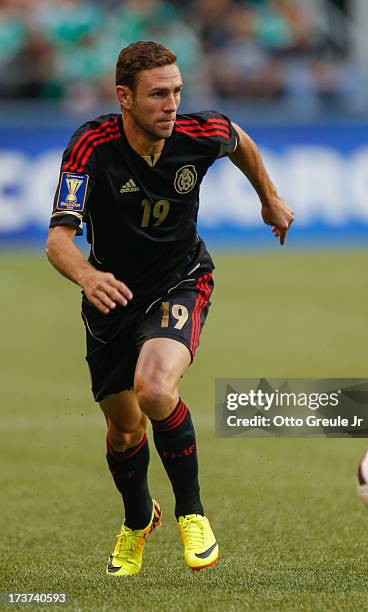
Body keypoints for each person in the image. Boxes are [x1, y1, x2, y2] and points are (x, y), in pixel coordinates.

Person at [45, 40, 294, 577]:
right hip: (111, 295)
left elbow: (239, 140)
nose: (172, 104)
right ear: (124, 98)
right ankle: (139, 516)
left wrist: (268, 197)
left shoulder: (199, 132)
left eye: (178, 91)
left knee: (156, 388)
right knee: (124, 429)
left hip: (181, 279)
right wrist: (88, 276)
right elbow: (58, 239)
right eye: (159, 94)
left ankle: (192, 512)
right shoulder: (91, 145)